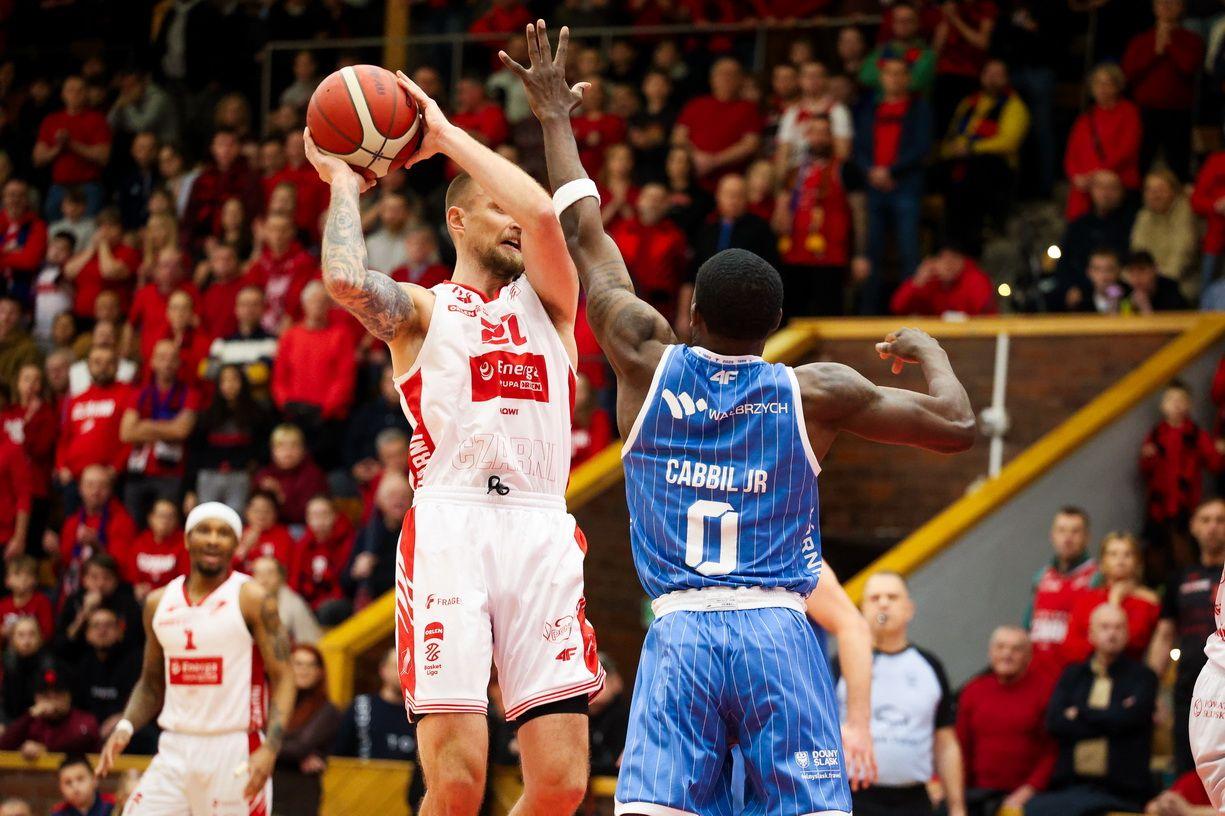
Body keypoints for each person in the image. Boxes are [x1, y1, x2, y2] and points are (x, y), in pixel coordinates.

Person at [508, 22, 974, 816]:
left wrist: (555, 116)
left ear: (691, 313)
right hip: (777, 636)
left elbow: (585, 231)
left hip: (680, 633)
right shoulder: (814, 390)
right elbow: (956, 426)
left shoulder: (643, 356)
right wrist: (928, 348)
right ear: (775, 325)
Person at [304, 47, 606, 815]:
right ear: (457, 219)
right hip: (451, 528)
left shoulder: (552, 305)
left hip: (539, 528)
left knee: (562, 784)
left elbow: (543, 214)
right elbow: (344, 280)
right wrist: (342, 182)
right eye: (493, 209)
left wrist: (441, 135)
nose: (513, 222)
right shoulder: (422, 309)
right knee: (459, 781)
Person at [95, 502, 297, 815]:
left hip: (235, 748)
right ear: (187, 540)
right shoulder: (158, 602)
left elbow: (284, 677)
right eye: (204, 530)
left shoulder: (251, 598)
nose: (213, 540)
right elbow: (151, 684)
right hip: (175, 746)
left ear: (236, 544)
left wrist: (270, 748)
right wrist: (126, 725)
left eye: (223, 533)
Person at [847, 573, 964, 816]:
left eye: (892, 597)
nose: (883, 604)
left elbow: (945, 742)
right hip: (854, 797)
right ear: (862, 609)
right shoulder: (843, 664)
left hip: (913, 800)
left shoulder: (930, 666)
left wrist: (956, 806)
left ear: (909, 609)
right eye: (875, 598)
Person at [1026, 604, 1157, 816]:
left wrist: (1080, 712)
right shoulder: (1073, 675)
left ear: (1127, 634)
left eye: (1118, 627)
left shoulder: (1143, 677)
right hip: (1070, 786)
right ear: (1091, 634)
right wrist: (1113, 716)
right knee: (1035, 809)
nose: (1112, 634)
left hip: (1123, 790)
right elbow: (1055, 723)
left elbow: (1130, 720)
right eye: (1105, 627)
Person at [1150, 499, 1225, 776]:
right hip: (1190, 691)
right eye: (1205, 520)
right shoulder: (1179, 579)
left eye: (1220, 520)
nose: (1213, 527)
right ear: (1193, 527)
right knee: (1187, 771)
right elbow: (1164, 636)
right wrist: (1151, 689)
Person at [853, 57, 933, 315]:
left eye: (900, 74)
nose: (895, 79)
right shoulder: (870, 109)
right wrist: (871, 171)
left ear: (908, 79)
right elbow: (859, 147)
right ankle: (868, 314)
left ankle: (912, 312)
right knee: (871, 252)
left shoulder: (919, 109)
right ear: (882, 78)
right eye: (890, 73)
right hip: (874, 186)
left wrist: (890, 171)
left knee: (909, 251)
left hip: (905, 185)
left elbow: (922, 147)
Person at [956, 626, 1056, 816]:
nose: (1007, 654)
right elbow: (961, 747)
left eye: (1016, 649)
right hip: (977, 794)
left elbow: (1052, 752)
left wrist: (1028, 791)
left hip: (1027, 798)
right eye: (1000, 647)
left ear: (1029, 656)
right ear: (990, 653)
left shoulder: (1046, 691)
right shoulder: (973, 690)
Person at [938, 59, 1030, 256]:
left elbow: (1009, 142)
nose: (992, 79)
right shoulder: (969, 102)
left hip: (995, 171)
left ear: (1006, 79)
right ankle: (947, 250)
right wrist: (949, 150)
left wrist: (972, 148)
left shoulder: (1014, 106)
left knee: (977, 178)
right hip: (961, 167)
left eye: (998, 75)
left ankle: (972, 250)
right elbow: (952, 134)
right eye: (988, 74)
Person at [773, 115, 852, 318]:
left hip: (830, 257)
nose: (819, 138)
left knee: (829, 318)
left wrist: (859, 254)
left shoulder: (844, 169)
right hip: (794, 256)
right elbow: (779, 215)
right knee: (793, 318)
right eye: (814, 132)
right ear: (807, 136)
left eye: (824, 132)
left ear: (832, 137)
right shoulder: (794, 172)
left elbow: (859, 214)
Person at [119, 339, 201, 524]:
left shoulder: (189, 394)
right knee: (132, 525)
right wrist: (167, 427)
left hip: (171, 473)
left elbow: (181, 431)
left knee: (167, 526)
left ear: (179, 363)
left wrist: (145, 425)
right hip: (138, 472)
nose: (167, 363)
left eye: (172, 359)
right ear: (153, 362)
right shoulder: (139, 393)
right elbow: (126, 433)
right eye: (162, 358)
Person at [1122, 0, 1203, 182]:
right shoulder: (1141, 40)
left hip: (1178, 110)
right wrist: (1155, 52)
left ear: (1181, 7)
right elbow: (1129, 73)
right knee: (1140, 160)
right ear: (1154, 7)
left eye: (1172, 3)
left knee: (1178, 162)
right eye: (1161, 3)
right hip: (1144, 110)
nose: (1166, 6)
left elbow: (1189, 67)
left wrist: (1169, 44)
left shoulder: (1191, 40)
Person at [1063, 533, 1161, 664]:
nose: (1120, 560)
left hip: (1131, 671)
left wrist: (1115, 600)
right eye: (1113, 554)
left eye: (1127, 554)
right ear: (1103, 562)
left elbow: (1133, 643)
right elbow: (1071, 646)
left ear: (1137, 562)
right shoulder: (1087, 599)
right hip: (1087, 670)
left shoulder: (1148, 602)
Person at [1063, 64, 1142, 222]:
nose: (1102, 88)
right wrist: (1075, 176)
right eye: (1097, 83)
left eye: (1107, 83)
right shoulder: (1086, 118)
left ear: (1117, 87)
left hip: (1116, 180)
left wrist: (1095, 175)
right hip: (1085, 185)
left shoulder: (1129, 112)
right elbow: (1072, 154)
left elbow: (1128, 149)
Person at [1026, 507, 1098, 672]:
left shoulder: (1097, 577)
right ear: (1052, 536)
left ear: (1087, 537)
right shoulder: (1041, 576)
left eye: (1075, 531)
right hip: (1038, 670)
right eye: (1061, 530)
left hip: (1076, 671)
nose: (1067, 538)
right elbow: (1027, 627)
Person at [273, 644, 341, 816]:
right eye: (298, 664)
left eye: (311, 665)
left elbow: (299, 748)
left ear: (319, 672)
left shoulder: (327, 710)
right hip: (269, 787)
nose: (304, 670)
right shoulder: (273, 703)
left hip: (299, 794)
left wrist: (266, 746)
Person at [0, 662, 100, 757]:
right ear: (36, 698)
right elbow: (4, 745)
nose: (51, 700)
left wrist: (47, 749)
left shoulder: (85, 720)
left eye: (58, 694)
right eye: (45, 695)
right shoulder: (31, 722)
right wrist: (29, 716)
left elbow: (79, 741)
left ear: (69, 696)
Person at [1131, 170, 1197, 302]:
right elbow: (1138, 252)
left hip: (1181, 282)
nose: (1155, 195)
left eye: (1160, 189)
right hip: (1147, 281)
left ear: (1174, 191)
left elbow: (1183, 255)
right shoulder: (1143, 216)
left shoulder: (1185, 213)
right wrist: (1142, 277)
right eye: (1150, 190)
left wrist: (1154, 280)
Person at [889, 244, 997, 316]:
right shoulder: (929, 280)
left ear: (963, 260)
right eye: (943, 258)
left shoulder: (974, 277)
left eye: (954, 258)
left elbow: (983, 309)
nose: (949, 264)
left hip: (973, 338)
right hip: (934, 339)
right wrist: (917, 281)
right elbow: (897, 307)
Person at [251, 556, 322, 646]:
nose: (264, 580)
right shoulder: (246, 603)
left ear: (281, 577)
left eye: (270, 573)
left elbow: (309, 643)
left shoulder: (294, 604)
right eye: (258, 574)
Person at [0, 555, 53, 641]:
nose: (23, 579)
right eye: (17, 574)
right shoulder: (3, 605)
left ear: (35, 580)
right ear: (7, 581)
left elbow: (47, 633)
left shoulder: (42, 602)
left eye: (28, 575)